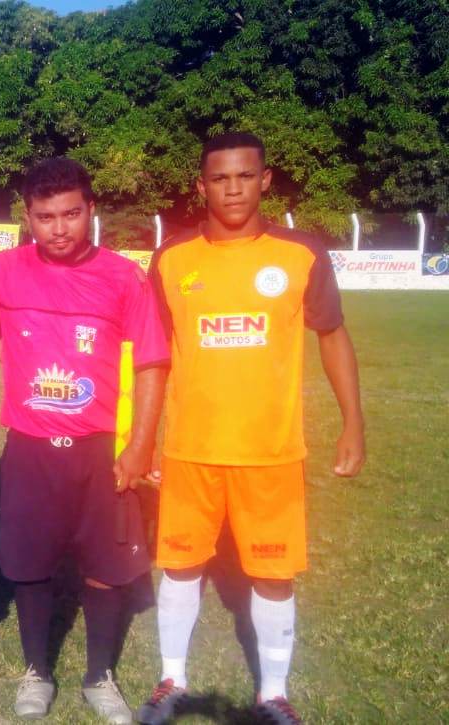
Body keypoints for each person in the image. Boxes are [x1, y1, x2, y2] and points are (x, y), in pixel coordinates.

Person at [137, 132, 365, 725]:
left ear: (265, 180)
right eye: (219, 178)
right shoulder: (173, 259)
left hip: (271, 452)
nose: (232, 188)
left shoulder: (301, 254)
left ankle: (273, 693)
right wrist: (139, 442)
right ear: (201, 186)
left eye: (244, 176)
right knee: (181, 566)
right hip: (191, 451)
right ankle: (172, 679)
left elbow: (333, 335)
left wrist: (354, 424)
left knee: (273, 572)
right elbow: (152, 357)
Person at [0, 158, 169, 724]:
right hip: (31, 445)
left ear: (91, 211)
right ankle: (38, 670)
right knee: (30, 566)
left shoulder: (122, 277)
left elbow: (153, 363)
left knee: (107, 566)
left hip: (102, 446)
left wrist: (139, 446)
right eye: (45, 216)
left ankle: (99, 676)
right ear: (27, 219)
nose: (59, 228)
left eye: (71, 214)